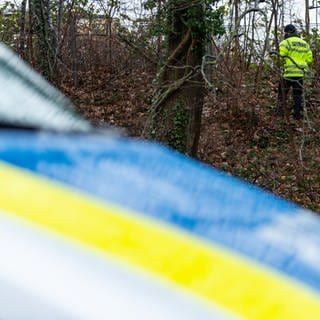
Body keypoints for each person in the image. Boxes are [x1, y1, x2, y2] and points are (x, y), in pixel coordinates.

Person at [276, 24, 313, 120]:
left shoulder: (285, 42)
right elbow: (309, 59)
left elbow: (280, 55)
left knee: (282, 93)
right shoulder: (305, 43)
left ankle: (280, 113)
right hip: (300, 74)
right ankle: (297, 115)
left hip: (288, 73)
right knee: (297, 95)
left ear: (287, 32)